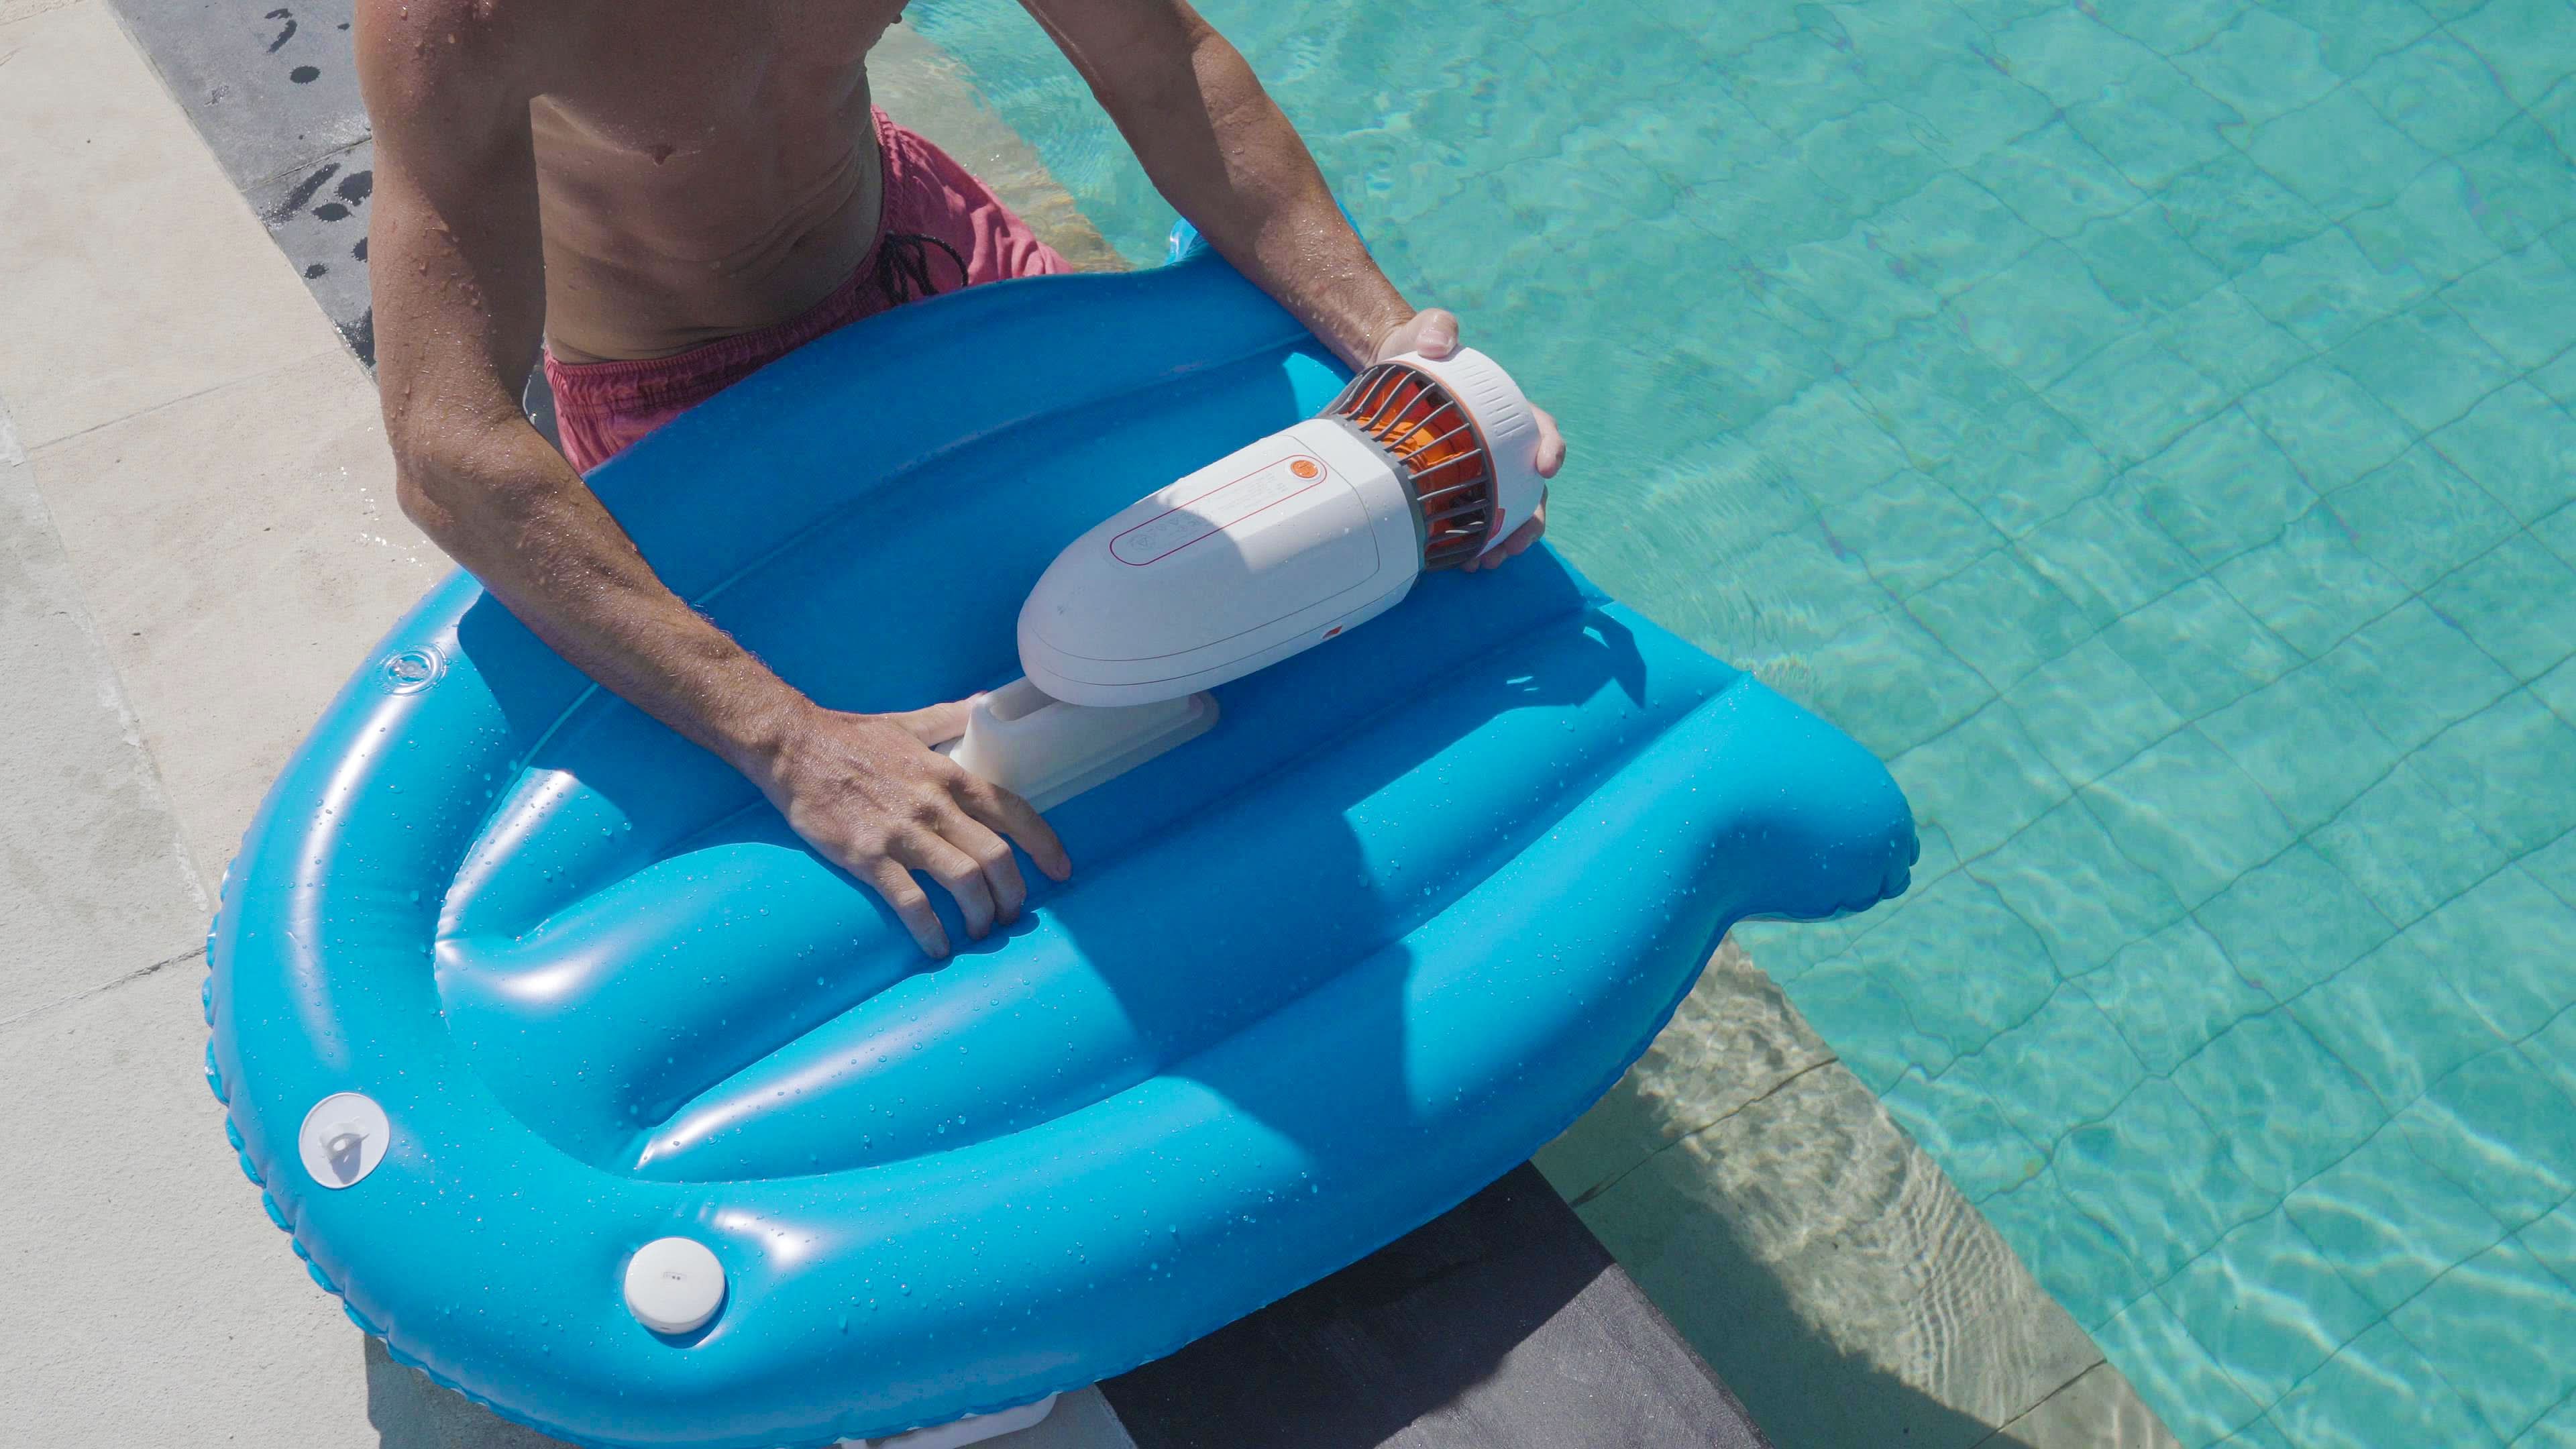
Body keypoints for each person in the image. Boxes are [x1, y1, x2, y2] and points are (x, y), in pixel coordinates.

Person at [357, 0, 1565, 959]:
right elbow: (449, 446)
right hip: (694, 400)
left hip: (930, 252)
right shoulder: (467, 14)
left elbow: (1161, 59)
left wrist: (1395, 348)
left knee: (1211, 652)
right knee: (966, 821)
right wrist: (791, 743)